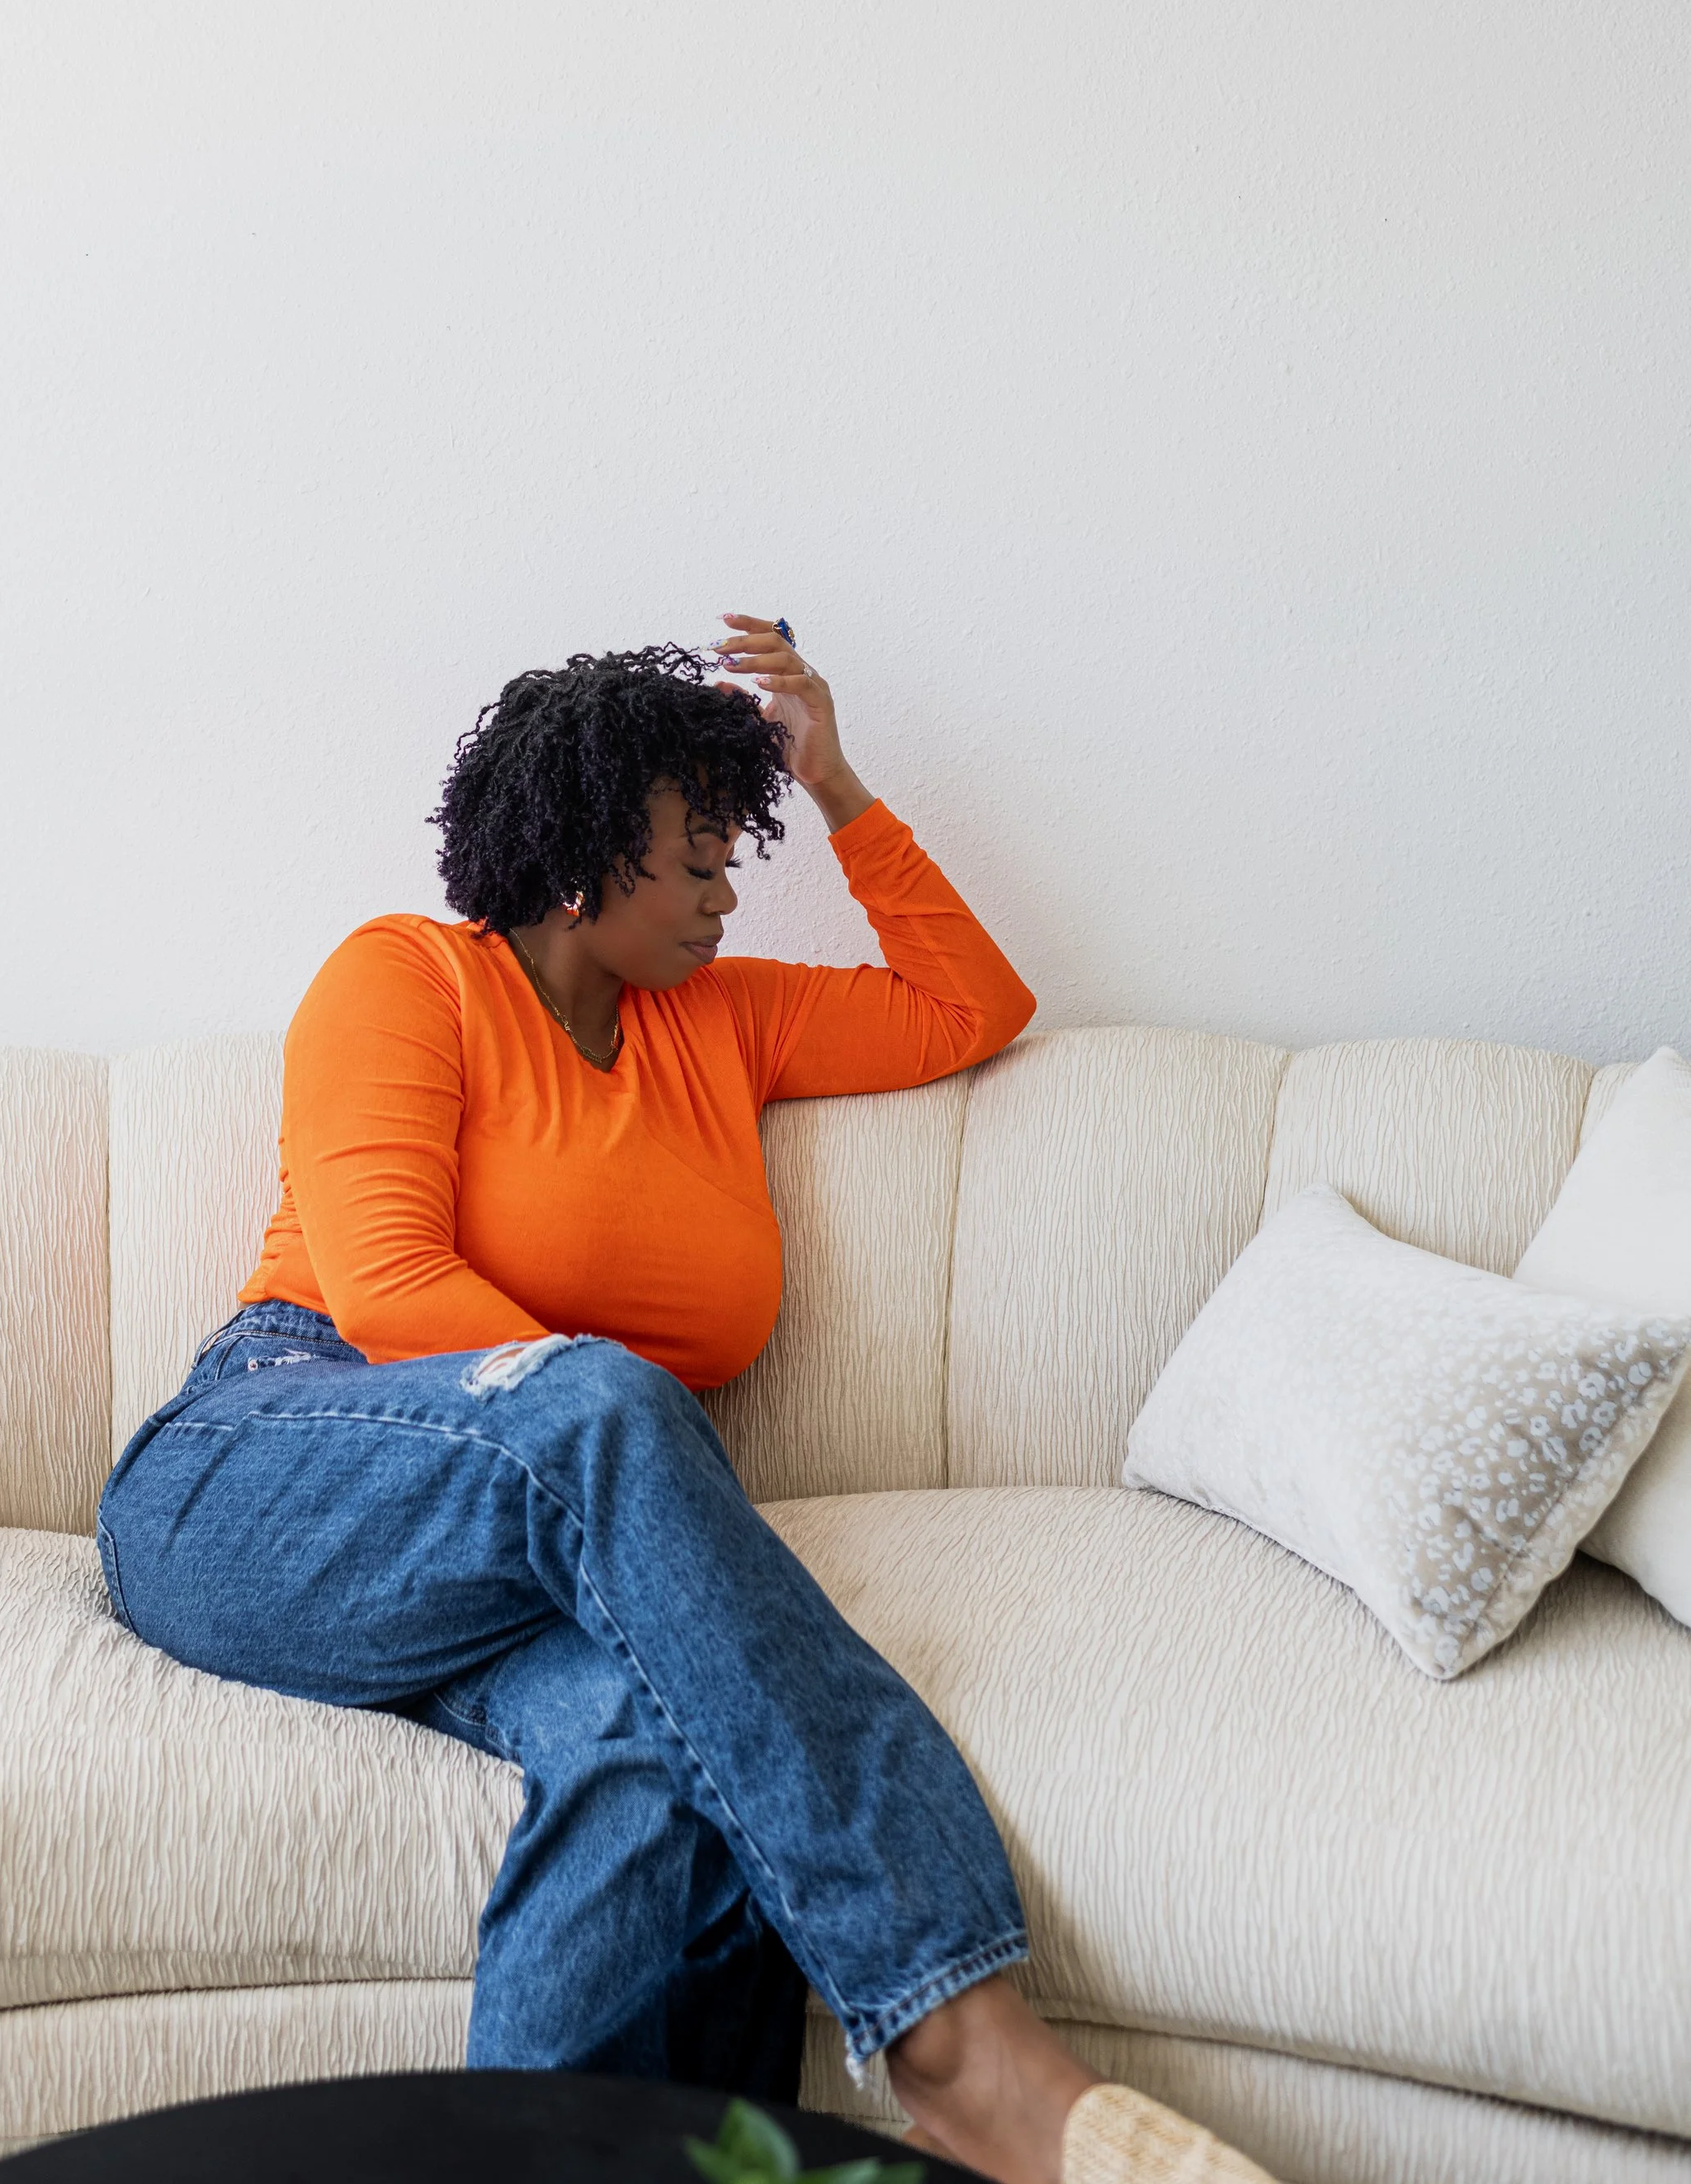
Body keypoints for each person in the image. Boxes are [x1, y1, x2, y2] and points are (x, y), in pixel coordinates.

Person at [97, 617, 1274, 2184]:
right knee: (605, 1405)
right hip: (265, 1473)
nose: (730, 894)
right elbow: (384, 1288)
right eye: (702, 862)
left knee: (654, 1757)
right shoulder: (409, 975)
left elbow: (969, 1009)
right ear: (586, 864)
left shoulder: (724, 1021)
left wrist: (838, 782)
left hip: (536, 1543)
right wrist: (614, 1425)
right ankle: (960, 2041)